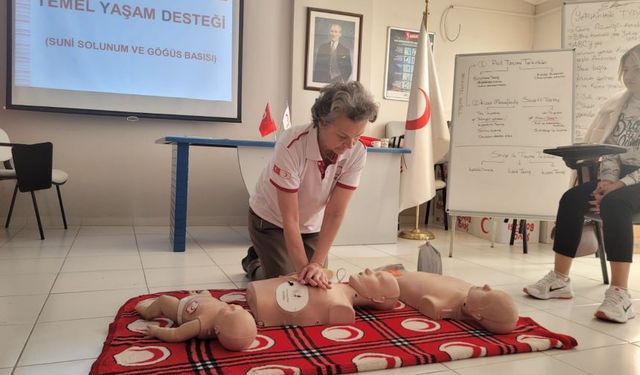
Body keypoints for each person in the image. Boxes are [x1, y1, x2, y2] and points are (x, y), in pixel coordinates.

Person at [524, 43, 640, 323]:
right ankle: (560, 279)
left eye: (636, 69)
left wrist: (621, 185)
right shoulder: (619, 104)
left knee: (615, 203)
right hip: (618, 178)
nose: (628, 76)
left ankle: (620, 294)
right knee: (573, 198)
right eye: (625, 70)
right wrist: (607, 181)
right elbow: (612, 148)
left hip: (634, 182)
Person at [241, 81, 378, 288]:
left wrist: (316, 264)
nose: (350, 145)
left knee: (320, 280)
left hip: (311, 225)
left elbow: (335, 213)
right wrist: (301, 273)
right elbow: (290, 217)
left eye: (357, 136)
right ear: (322, 122)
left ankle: (275, 259)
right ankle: (254, 262)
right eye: (342, 136)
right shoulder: (291, 145)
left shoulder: (357, 152)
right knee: (288, 285)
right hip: (270, 221)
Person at [246, 268, 400, 327]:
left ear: (378, 298)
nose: (368, 269)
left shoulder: (343, 309)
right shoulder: (331, 280)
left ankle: (255, 263)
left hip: (263, 307)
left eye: (377, 277)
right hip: (260, 291)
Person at [397, 272, 519, 334]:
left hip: (406, 279)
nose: (486, 286)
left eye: (486, 294)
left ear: (477, 315)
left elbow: (427, 303)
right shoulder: (470, 291)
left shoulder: (444, 305)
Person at [134, 291, 257, 351]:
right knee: (206, 292)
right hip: (203, 299)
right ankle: (198, 295)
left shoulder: (201, 324)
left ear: (217, 329)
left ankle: (147, 312)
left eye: (231, 310)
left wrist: (157, 331)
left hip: (183, 308)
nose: (234, 306)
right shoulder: (224, 318)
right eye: (240, 309)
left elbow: (176, 334)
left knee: (164, 300)